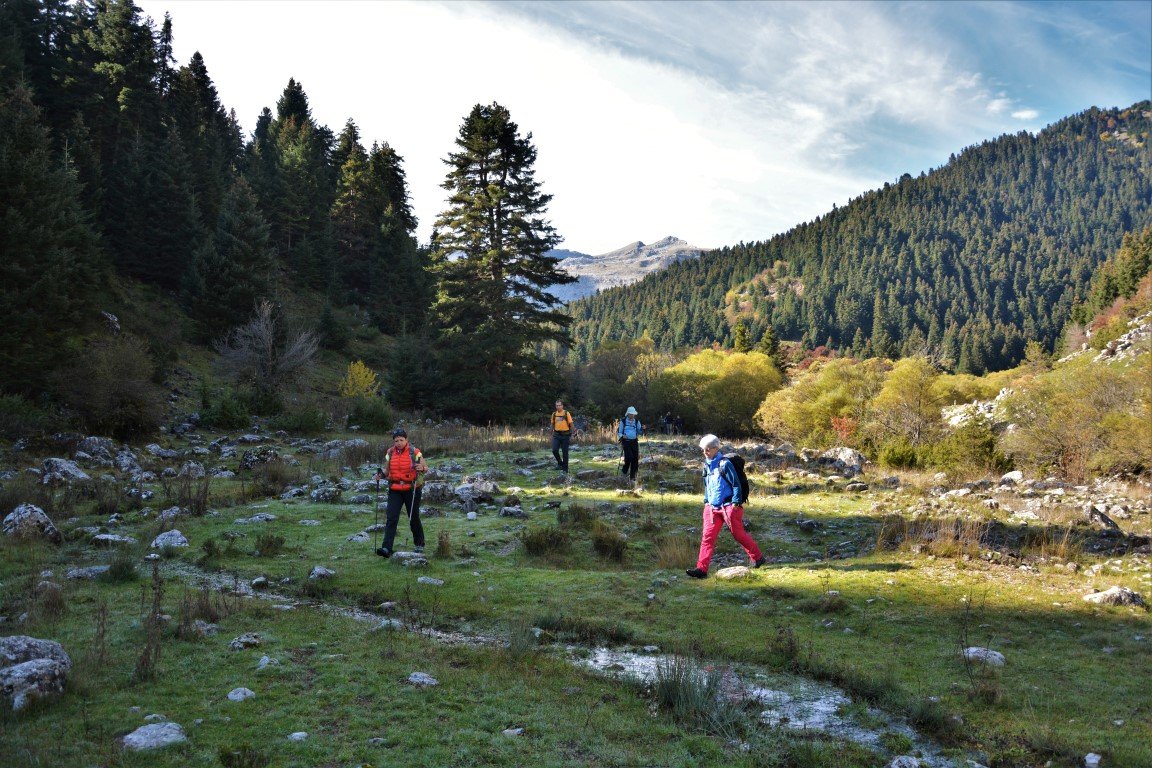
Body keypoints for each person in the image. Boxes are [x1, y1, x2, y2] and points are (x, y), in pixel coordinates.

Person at [687, 434, 766, 578]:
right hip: (711, 508)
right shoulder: (706, 465)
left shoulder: (725, 464)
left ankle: (758, 557)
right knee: (707, 538)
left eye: (708, 449)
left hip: (730, 506)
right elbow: (707, 485)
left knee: (739, 535)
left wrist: (736, 502)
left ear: (716, 448)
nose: (705, 452)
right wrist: (706, 502)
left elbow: (736, 484)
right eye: (703, 449)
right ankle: (701, 569)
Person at [373, 428, 428, 558]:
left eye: (401, 440)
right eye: (396, 440)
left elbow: (425, 467)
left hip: (412, 489)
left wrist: (422, 467)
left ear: (406, 440)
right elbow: (387, 471)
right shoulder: (390, 453)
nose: (398, 442)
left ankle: (419, 544)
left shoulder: (415, 452)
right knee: (391, 518)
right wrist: (380, 475)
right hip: (395, 489)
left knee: (413, 517)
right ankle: (386, 548)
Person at [617, 406, 643, 483]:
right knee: (629, 458)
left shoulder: (637, 421)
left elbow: (640, 432)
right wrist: (622, 436)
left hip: (634, 441)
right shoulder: (623, 421)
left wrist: (643, 429)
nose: (632, 415)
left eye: (633, 414)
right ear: (628, 414)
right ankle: (624, 471)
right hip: (626, 442)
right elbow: (619, 432)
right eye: (631, 414)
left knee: (635, 458)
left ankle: (633, 477)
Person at [550, 399, 574, 472]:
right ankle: (560, 463)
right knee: (554, 450)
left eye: (559, 405)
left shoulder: (566, 413)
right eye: (557, 405)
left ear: (562, 406)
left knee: (565, 452)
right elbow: (552, 424)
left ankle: (565, 469)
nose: (558, 407)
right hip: (556, 435)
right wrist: (551, 433)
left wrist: (573, 433)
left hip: (565, 435)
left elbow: (571, 424)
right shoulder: (554, 414)